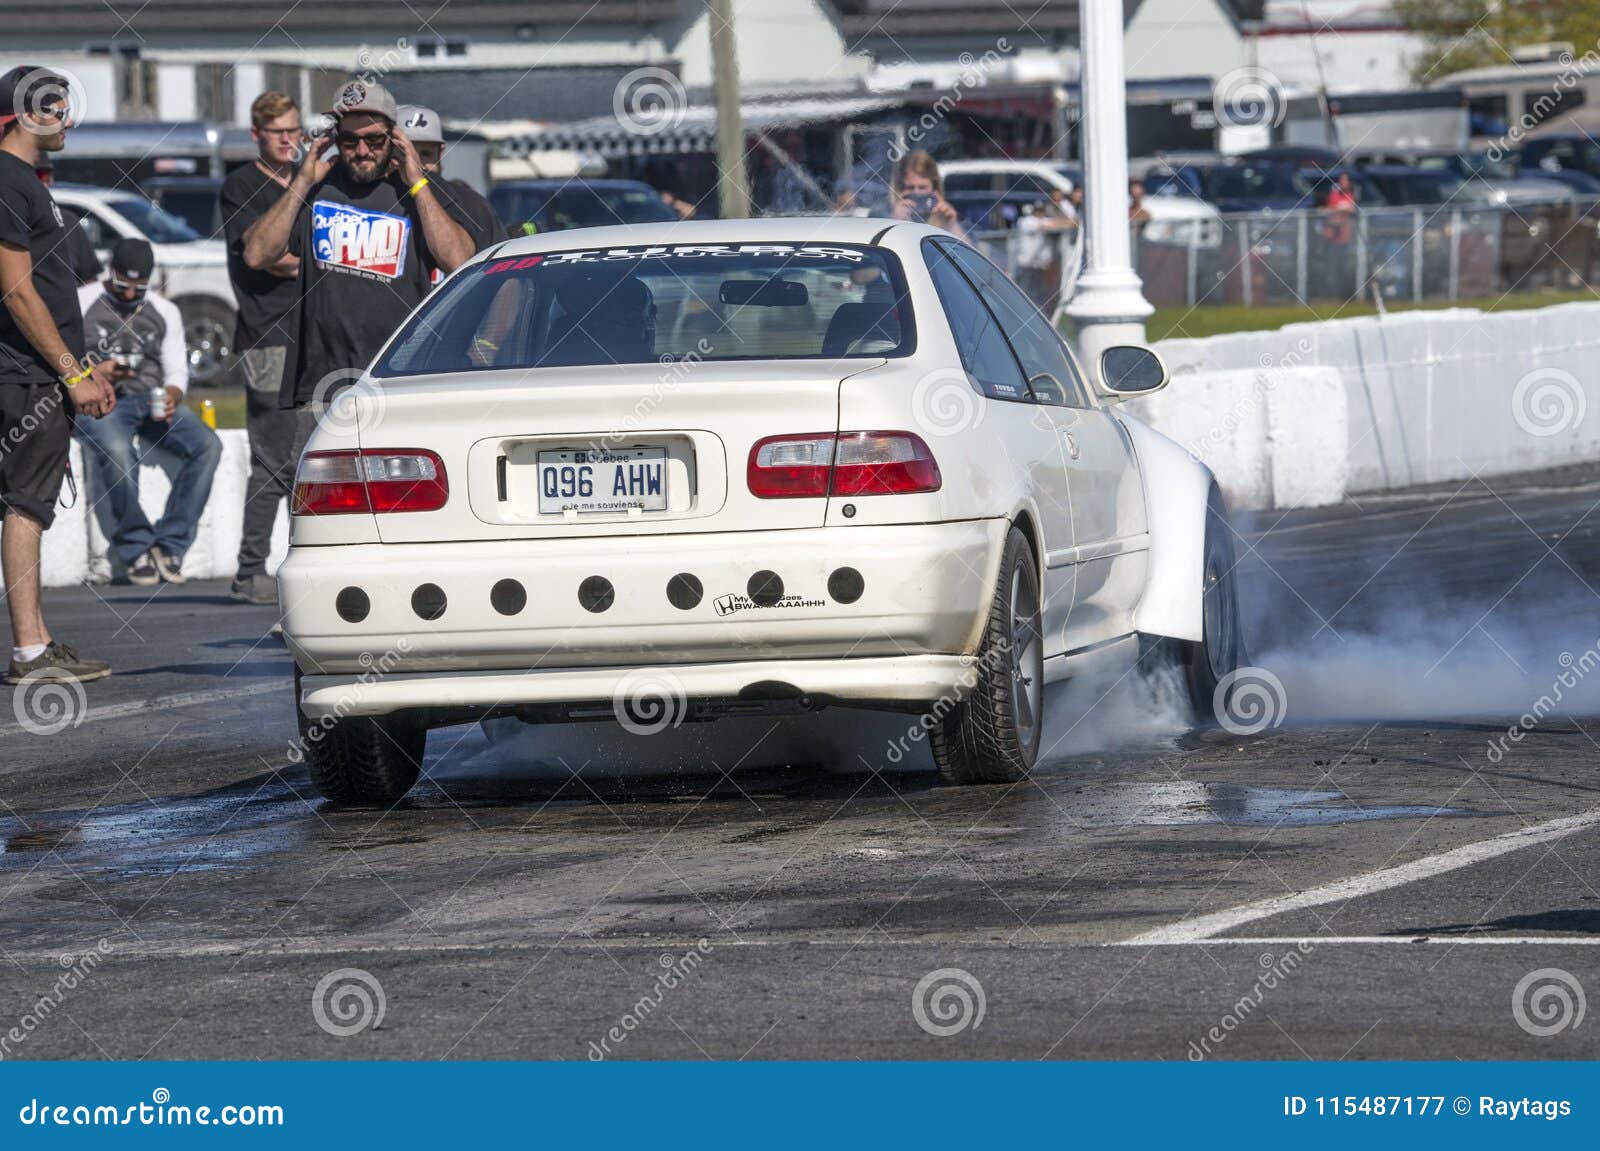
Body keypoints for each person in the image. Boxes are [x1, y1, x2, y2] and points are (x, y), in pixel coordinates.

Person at [243, 80, 473, 425]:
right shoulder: (317, 185)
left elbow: (458, 260)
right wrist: (302, 182)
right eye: (350, 140)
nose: (362, 151)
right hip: (324, 385)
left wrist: (418, 184)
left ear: (394, 138)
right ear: (334, 139)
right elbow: (257, 255)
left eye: (374, 140)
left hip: (399, 379)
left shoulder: (419, 189)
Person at [0, 65, 117, 684]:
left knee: (27, 503)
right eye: (57, 106)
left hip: (37, 372)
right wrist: (72, 376)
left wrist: (81, 370)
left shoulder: (26, 182)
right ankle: (29, 653)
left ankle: (38, 640)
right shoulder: (6, 179)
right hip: (23, 376)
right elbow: (18, 293)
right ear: (25, 113)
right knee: (25, 505)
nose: (68, 117)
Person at [75, 239, 221, 586]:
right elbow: (61, 361)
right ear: (111, 272)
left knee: (208, 445)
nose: (129, 295)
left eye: (139, 289)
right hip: (100, 400)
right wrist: (95, 372)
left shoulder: (163, 310)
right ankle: (135, 545)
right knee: (119, 452)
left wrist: (172, 395)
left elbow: (176, 372)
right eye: (124, 286)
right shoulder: (82, 302)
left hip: (150, 399)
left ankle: (170, 543)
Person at [221, 90, 303, 605]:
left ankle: (299, 565)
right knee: (273, 461)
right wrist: (321, 257)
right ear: (257, 135)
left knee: (309, 460)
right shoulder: (243, 186)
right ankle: (251, 570)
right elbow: (266, 256)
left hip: (313, 334)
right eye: (279, 133)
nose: (290, 141)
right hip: (268, 336)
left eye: (295, 131)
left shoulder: (309, 180)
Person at [396, 104, 509, 261]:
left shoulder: (473, 205)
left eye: (425, 154)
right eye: (407, 155)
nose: (416, 165)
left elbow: (502, 273)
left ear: (440, 152)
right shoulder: (383, 202)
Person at [34, 154, 99, 285]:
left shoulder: (69, 222)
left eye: (44, 175)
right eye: (36, 175)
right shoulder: (8, 223)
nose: (43, 182)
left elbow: (89, 280)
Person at [890, 151, 966, 239]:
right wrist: (894, 222)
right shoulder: (882, 214)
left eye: (922, 187)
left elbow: (971, 250)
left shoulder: (947, 214)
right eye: (910, 187)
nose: (917, 193)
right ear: (900, 189)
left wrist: (952, 225)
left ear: (935, 189)